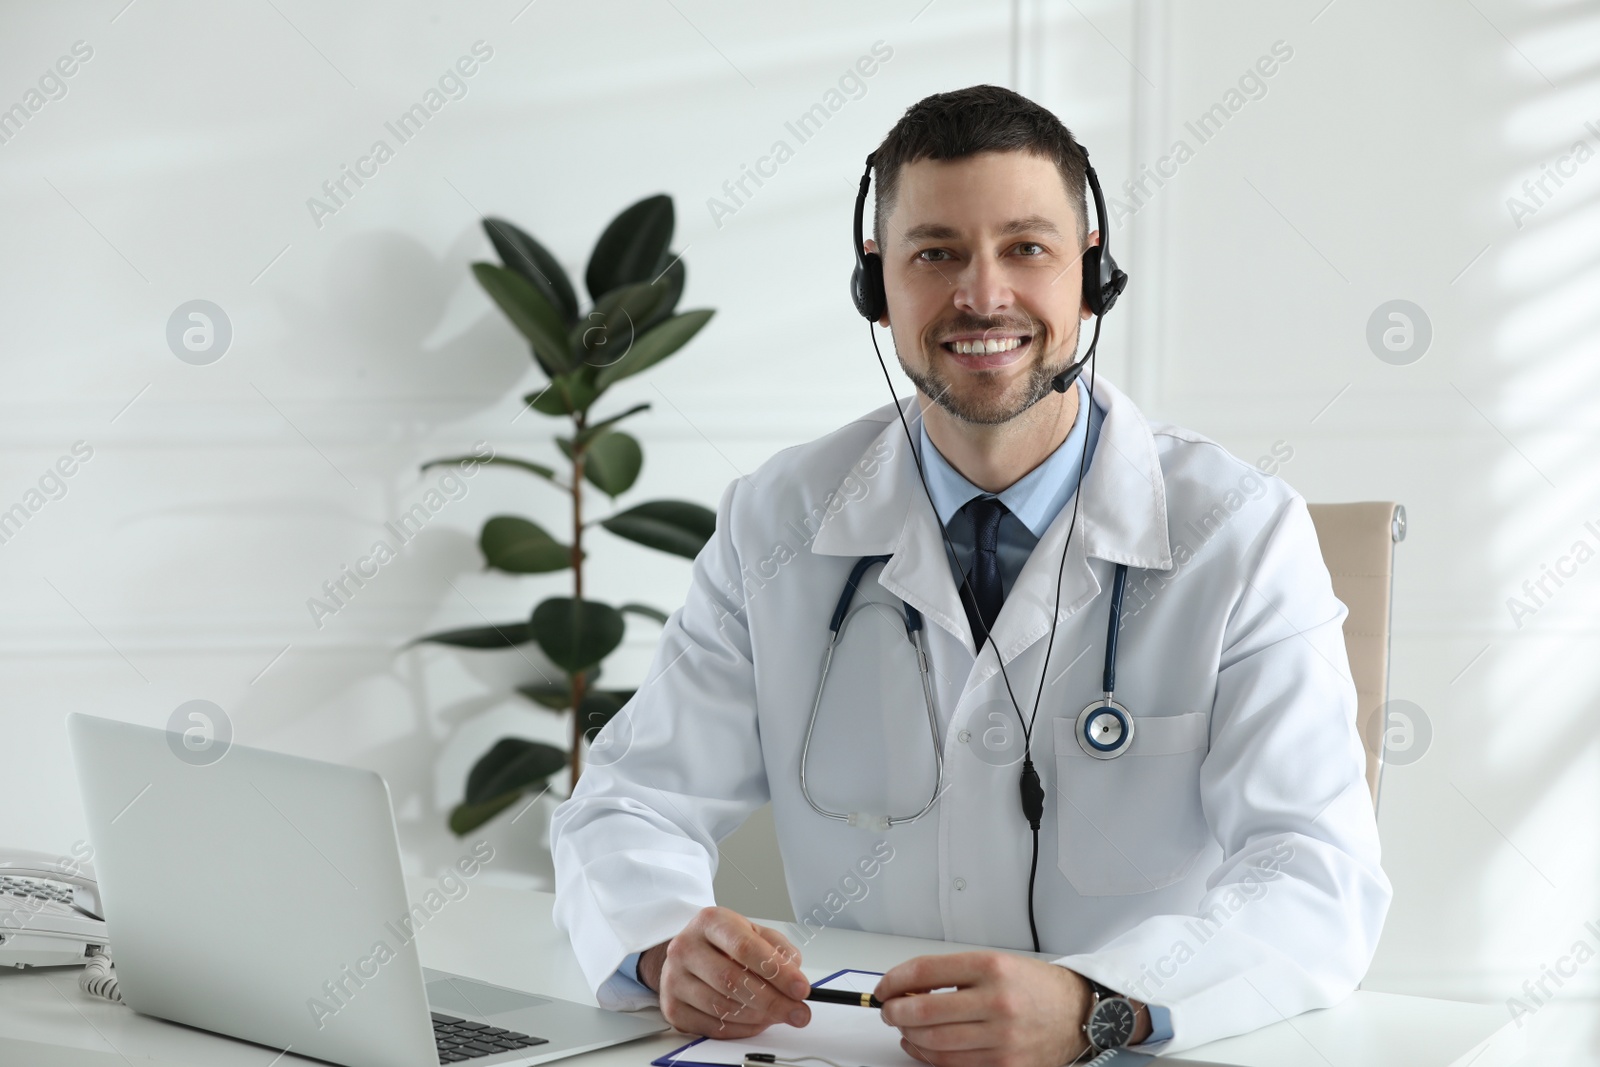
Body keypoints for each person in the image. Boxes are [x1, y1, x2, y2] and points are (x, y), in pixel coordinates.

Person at [550, 84, 1391, 1064]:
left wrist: (1097, 1002)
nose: (981, 295)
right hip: (860, 1047)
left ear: (1092, 274)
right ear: (878, 285)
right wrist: (660, 943)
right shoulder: (777, 520)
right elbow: (630, 799)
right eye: (935, 252)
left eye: (1026, 247)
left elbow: (1312, 876)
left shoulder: (1240, 533)